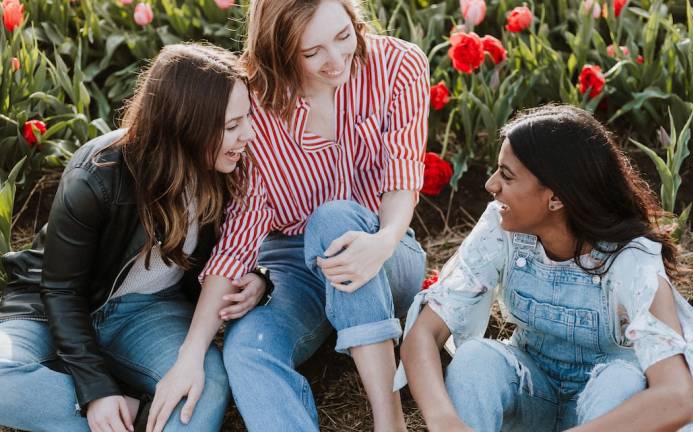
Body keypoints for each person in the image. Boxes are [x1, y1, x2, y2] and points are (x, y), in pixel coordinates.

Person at [152, 0, 429, 430]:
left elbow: (403, 175)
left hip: (385, 248)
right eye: (312, 51)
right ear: (279, 49)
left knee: (335, 220)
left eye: (343, 36)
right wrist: (192, 353)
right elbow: (240, 237)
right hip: (295, 264)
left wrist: (383, 240)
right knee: (247, 349)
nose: (336, 60)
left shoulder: (399, 65)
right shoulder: (255, 106)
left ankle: (389, 419)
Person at [0, 43, 267, 432]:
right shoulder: (98, 175)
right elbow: (60, 290)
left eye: (246, 118)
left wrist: (260, 276)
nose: (249, 134)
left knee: (203, 388)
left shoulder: (232, 170)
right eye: (231, 126)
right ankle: (129, 412)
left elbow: (247, 239)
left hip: (148, 312)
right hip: (51, 305)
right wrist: (95, 391)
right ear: (183, 127)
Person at [399, 104, 693, 432]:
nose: (491, 184)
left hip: (606, 417)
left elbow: (676, 397)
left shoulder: (631, 261)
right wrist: (445, 421)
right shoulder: (501, 229)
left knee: (621, 379)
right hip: (533, 395)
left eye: (507, 175)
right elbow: (423, 334)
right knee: (476, 358)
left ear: (557, 198)